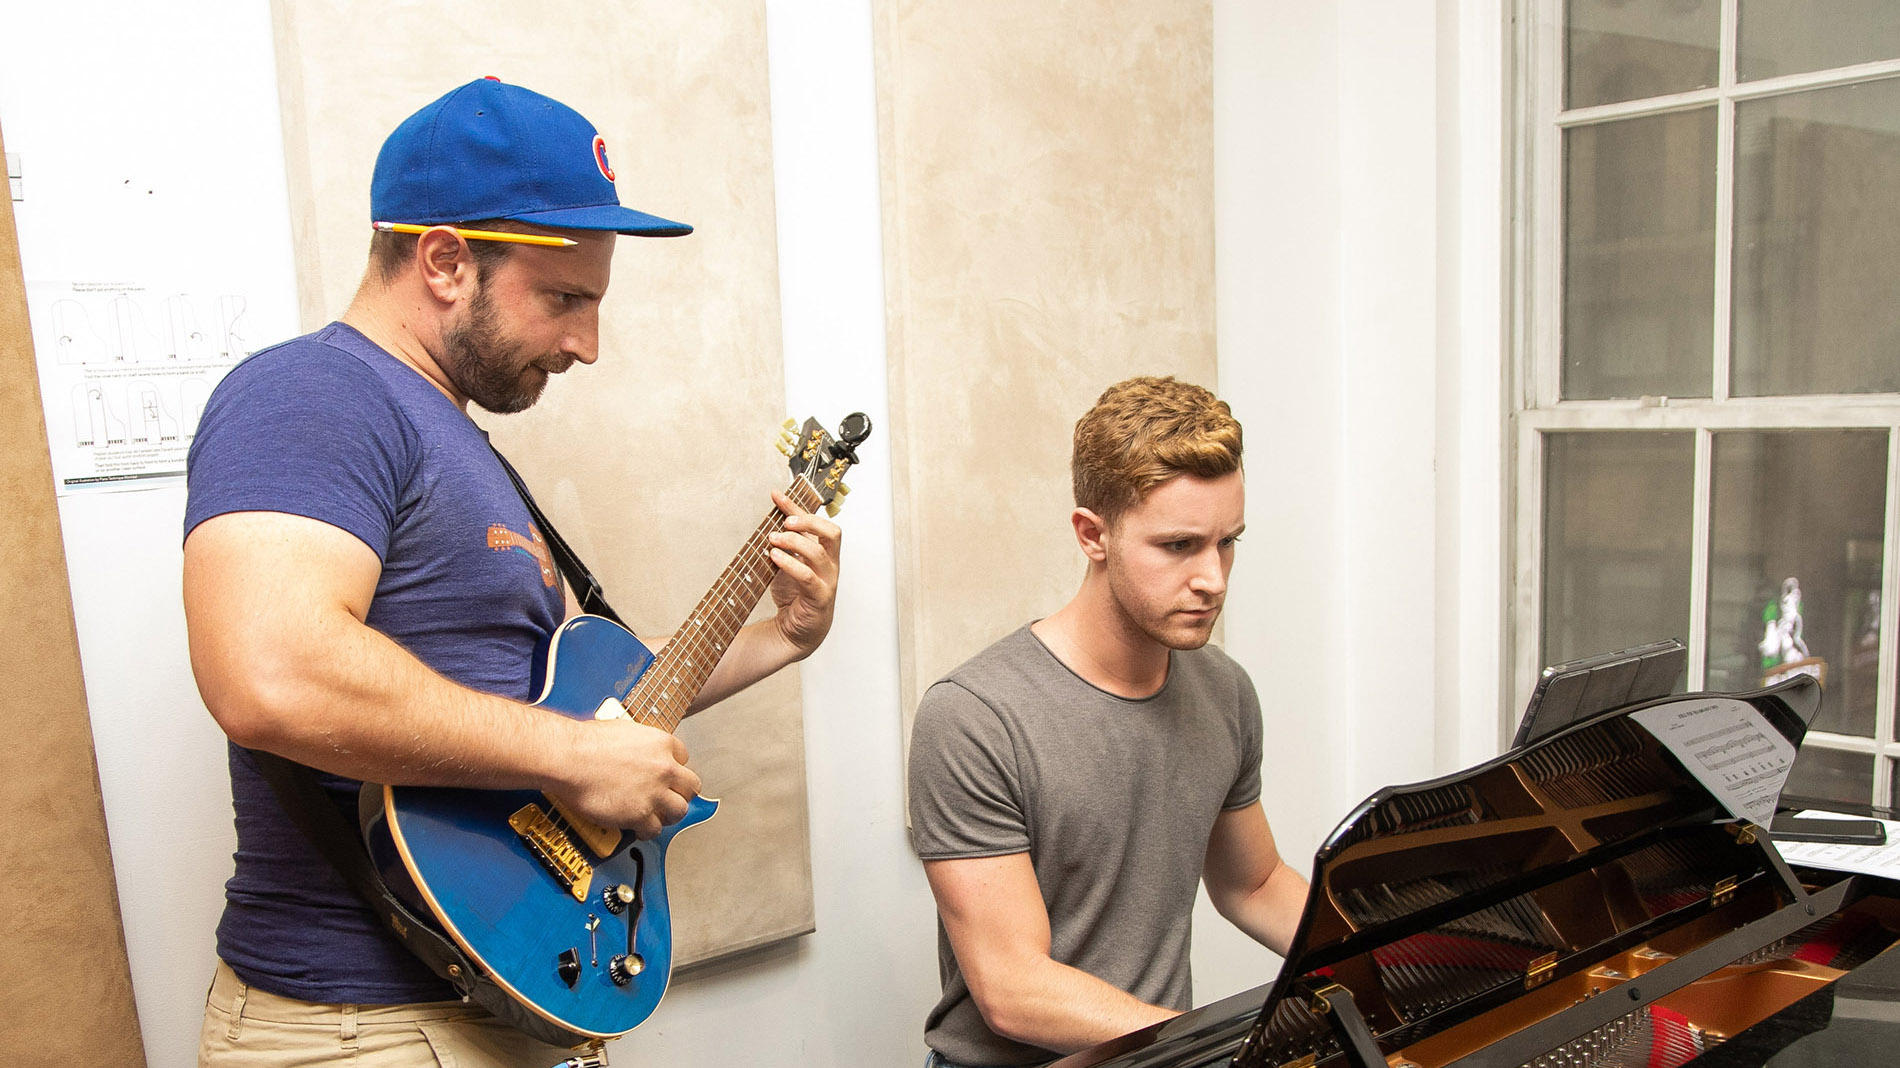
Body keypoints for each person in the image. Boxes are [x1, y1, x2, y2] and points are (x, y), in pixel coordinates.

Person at [183, 78, 842, 1067]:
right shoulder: (311, 392)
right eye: (565, 300)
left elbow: (605, 711)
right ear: (444, 260)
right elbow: (269, 673)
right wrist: (572, 758)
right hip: (361, 1028)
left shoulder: (462, 446)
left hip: (500, 1004)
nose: (586, 342)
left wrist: (784, 638)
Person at [907, 376, 1308, 1067]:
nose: (1213, 577)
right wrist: (1214, 1050)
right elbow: (1013, 988)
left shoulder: (1224, 689)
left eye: (1227, 543)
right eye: (1179, 546)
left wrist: (1393, 958)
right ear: (1093, 535)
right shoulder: (975, 717)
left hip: (1157, 1055)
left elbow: (1255, 884)